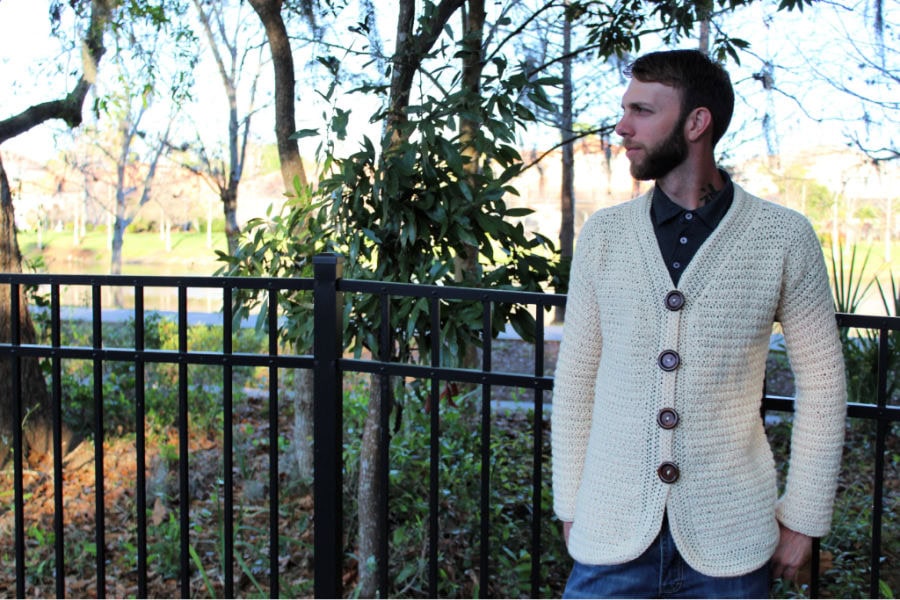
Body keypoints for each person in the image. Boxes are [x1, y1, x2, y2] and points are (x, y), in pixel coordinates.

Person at [551, 49, 846, 599]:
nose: (622, 126)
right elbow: (576, 381)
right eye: (625, 109)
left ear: (696, 122)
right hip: (611, 535)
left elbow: (824, 385)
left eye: (641, 110)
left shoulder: (783, 237)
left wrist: (804, 517)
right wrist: (571, 505)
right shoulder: (605, 237)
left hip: (730, 539)